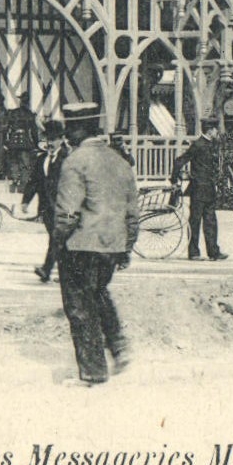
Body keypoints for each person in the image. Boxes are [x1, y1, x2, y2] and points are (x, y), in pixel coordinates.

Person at [52, 133, 140, 386]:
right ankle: (118, 344)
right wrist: (127, 246)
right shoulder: (120, 161)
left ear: (73, 133)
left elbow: (68, 213)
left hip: (81, 244)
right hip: (112, 244)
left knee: (80, 306)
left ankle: (93, 371)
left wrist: (58, 242)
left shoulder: (75, 161)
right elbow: (132, 212)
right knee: (99, 292)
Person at [172, 118, 227, 261]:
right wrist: (174, 180)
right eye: (215, 129)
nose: (217, 132)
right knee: (195, 221)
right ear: (209, 130)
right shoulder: (197, 145)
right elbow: (180, 161)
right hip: (198, 189)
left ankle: (214, 252)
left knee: (211, 222)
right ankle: (194, 252)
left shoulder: (211, 145)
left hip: (209, 189)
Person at [24, 119, 71, 282]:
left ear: (61, 139)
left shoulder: (68, 158)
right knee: (57, 239)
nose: (50, 143)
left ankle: (47, 269)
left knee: (56, 238)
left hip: (62, 207)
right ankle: (61, 271)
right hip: (46, 208)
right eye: (48, 139)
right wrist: (26, 201)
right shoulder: (42, 159)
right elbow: (34, 181)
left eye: (53, 139)